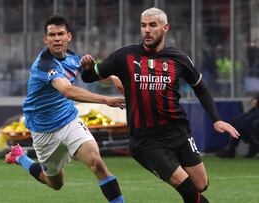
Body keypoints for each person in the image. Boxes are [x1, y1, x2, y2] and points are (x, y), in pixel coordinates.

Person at [80, 7, 240, 203]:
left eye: (152, 25)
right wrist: (86, 68)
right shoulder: (124, 56)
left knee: (200, 185)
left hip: (178, 132)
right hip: (146, 141)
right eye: (143, 25)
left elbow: (200, 88)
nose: (146, 30)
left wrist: (216, 120)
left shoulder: (179, 58)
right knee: (189, 191)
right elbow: (89, 77)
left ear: (165, 28)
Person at [4, 15, 125, 203]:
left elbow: (91, 72)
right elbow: (67, 90)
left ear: (69, 36)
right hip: (43, 130)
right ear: (45, 39)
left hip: (69, 121)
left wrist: (113, 78)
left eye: (61, 34)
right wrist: (106, 100)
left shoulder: (72, 57)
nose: (57, 38)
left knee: (97, 164)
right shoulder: (44, 64)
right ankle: (20, 157)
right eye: (52, 35)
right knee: (55, 184)